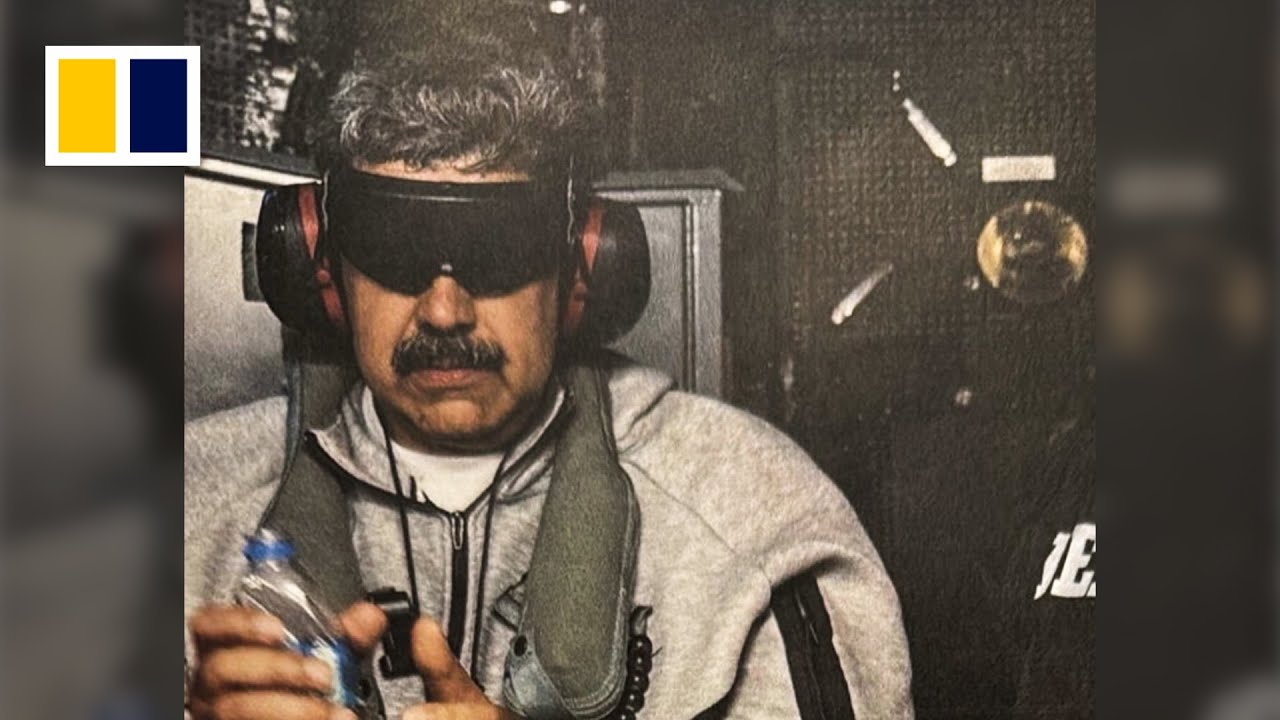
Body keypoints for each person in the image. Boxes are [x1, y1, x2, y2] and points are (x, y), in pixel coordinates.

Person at [184, 6, 913, 719]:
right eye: (394, 249)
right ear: (319, 263)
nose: (444, 311)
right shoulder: (183, 507)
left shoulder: (754, 515)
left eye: (498, 251)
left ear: (583, 266)